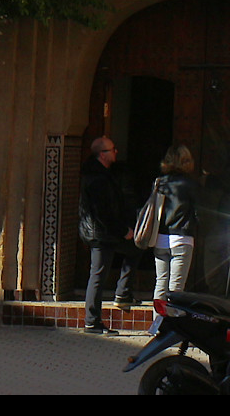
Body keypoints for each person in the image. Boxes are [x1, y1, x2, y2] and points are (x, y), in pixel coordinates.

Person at [78, 134, 137, 333]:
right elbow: (103, 212)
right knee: (97, 275)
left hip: (103, 233)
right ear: (102, 154)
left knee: (133, 251)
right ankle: (92, 320)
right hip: (101, 235)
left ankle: (122, 294)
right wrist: (123, 230)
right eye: (112, 149)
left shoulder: (100, 175)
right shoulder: (98, 179)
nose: (116, 152)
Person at [149, 143, 201, 328]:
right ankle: (173, 327)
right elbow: (199, 213)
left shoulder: (160, 182)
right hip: (182, 238)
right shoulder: (191, 184)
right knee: (176, 288)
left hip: (160, 238)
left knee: (160, 283)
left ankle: (158, 324)